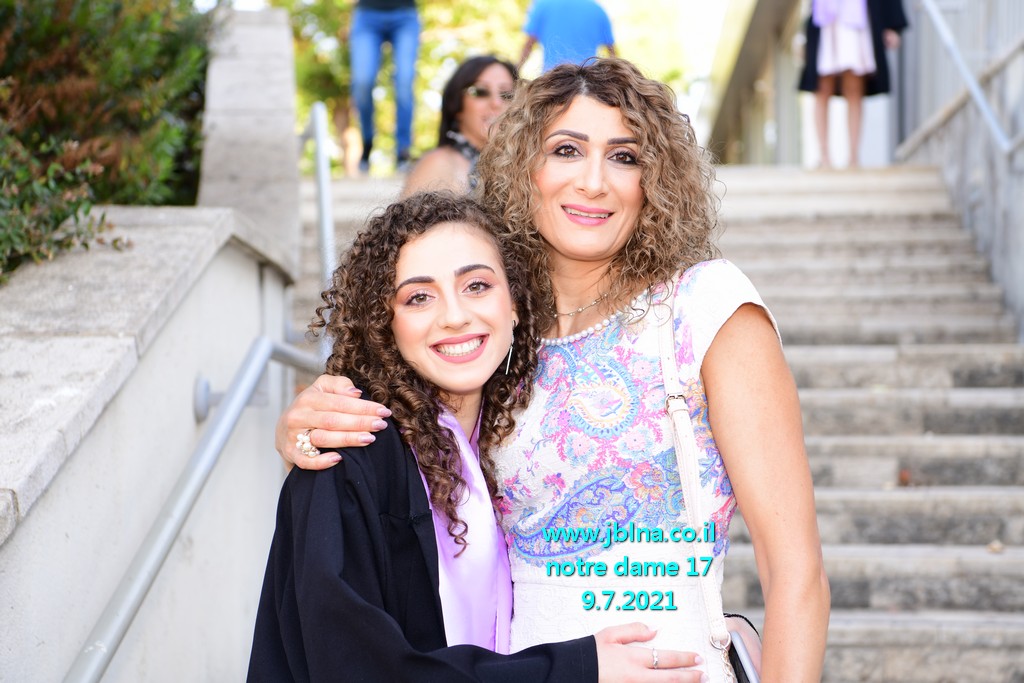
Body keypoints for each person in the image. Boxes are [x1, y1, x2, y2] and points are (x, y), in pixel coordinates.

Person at [276, 59, 831, 682]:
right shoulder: (492, 335)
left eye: (624, 156)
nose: (593, 182)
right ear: (524, 169)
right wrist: (300, 429)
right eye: (567, 150)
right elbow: (396, 453)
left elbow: (796, 572)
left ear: (655, 180)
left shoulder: (705, 307)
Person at [248, 192, 704, 682]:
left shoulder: (507, 451)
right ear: (385, 323)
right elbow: (357, 669)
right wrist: (575, 670)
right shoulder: (349, 451)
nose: (454, 316)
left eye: (477, 286)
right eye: (419, 297)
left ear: (516, 305)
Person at [798, 0, 909, 168]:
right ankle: (824, 157)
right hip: (824, 18)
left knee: (854, 84)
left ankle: (853, 157)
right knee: (822, 85)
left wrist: (892, 25)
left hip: (856, 16)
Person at [402, 56, 518, 197]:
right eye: (480, 92)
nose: (496, 103)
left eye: (507, 94)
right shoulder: (438, 164)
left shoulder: (522, 168)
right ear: (456, 105)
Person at [349, 0, 420, 173]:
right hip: (367, 15)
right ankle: (367, 141)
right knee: (362, 82)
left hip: (405, 14)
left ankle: (403, 151)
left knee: (404, 82)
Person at [517, 0, 615, 73]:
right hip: (587, 81)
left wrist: (515, 71)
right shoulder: (597, 9)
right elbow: (612, 53)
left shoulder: (542, 5)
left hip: (553, 79)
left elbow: (528, 45)